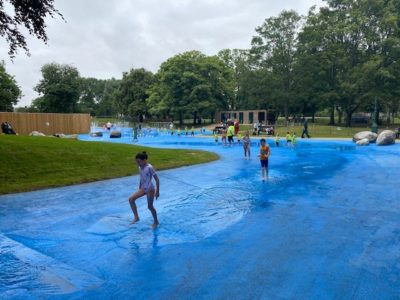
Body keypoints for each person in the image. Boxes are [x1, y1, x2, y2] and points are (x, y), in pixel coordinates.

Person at [128, 152, 160, 229]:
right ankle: (136, 217)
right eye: (137, 162)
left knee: (150, 206)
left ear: (145, 160)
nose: (138, 163)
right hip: (143, 188)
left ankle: (156, 222)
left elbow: (157, 180)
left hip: (150, 189)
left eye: (139, 161)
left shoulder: (149, 167)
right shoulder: (140, 168)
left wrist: (157, 191)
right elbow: (141, 178)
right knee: (131, 199)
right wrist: (139, 187)